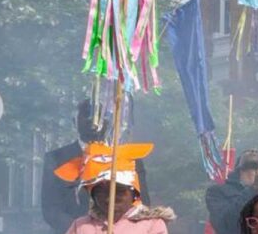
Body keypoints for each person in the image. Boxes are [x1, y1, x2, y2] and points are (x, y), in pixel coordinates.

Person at [43, 100, 149, 234]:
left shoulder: (129, 158)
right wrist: (82, 230)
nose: (93, 122)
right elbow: (51, 209)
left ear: (108, 122)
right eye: (87, 115)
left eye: (99, 116)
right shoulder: (57, 158)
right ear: (74, 121)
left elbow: (142, 204)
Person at [57, 141, 173, 234]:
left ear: (134, 193)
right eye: (101, 192)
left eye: (119, 191)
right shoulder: (80, 226)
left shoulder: (153, 225)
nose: (109, 198)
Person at [208, 150, 258, 234]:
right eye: (249, 168)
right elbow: (226, 224)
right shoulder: (217, 192)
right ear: (239, 170)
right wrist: (252, 190)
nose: (253, 152)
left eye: (256, 168)